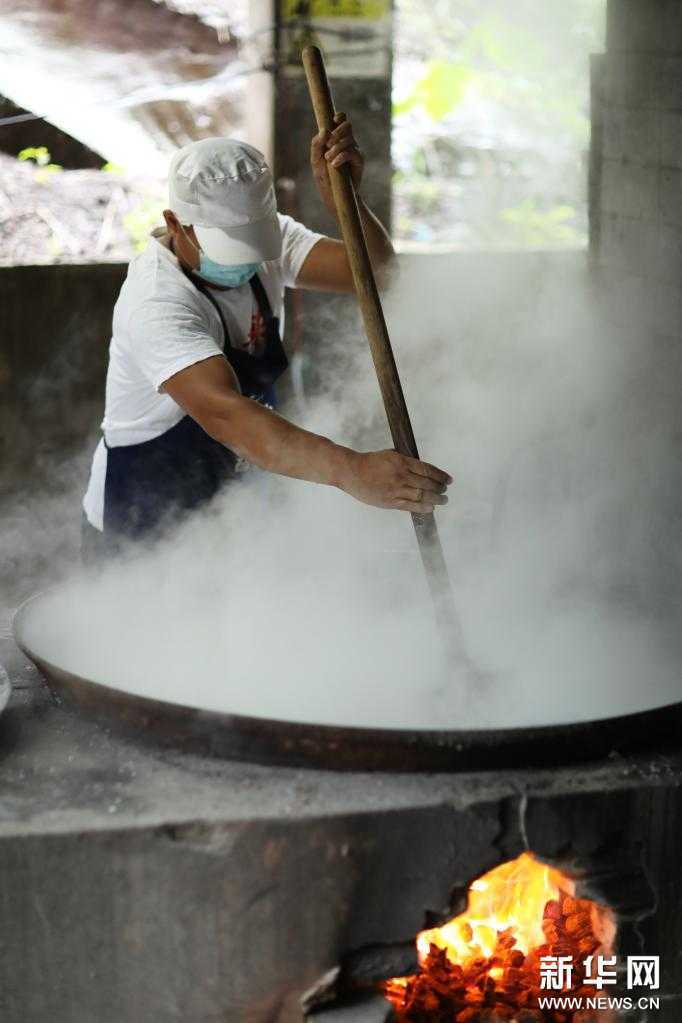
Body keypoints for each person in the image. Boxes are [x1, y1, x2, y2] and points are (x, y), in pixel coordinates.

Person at [82, 115, 451, 560]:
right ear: (175, 224)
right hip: (141, 523)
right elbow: (227, 416)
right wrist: (353, 471)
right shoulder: (157, 303)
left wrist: (344, 201)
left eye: (253, 243)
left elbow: (375, 273)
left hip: (226, 509)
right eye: (230, 246)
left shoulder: (272, 240)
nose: (246, 262)